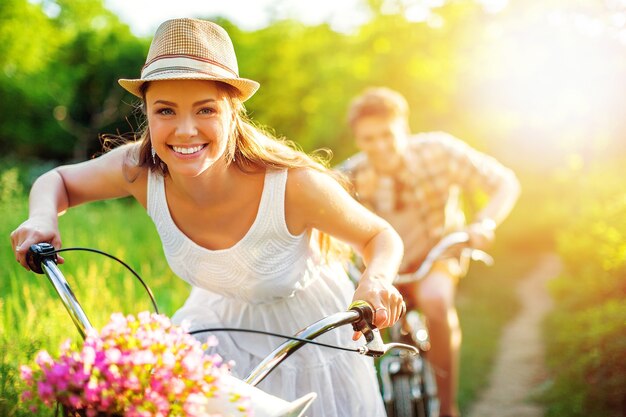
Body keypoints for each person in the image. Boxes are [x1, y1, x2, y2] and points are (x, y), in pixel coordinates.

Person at [10, 19, 406, 417]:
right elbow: (57, 179)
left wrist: (375, 280)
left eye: (205, 109)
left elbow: (379, 235)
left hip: (308, 335)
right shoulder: (139, 170)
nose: (185, 131)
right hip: (217, 326)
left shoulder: (291, 184)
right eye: (165, 110)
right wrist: (43, 218)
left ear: (233, 111)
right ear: (145, 111)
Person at [339, 87, 521, 417]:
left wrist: (484, 223)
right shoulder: (350, 175)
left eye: (387, 135)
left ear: (404, 128)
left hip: (437, 255)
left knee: (436, 300)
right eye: (368, 139)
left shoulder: (439, 151)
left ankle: (447, 407)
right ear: (357, 139)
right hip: (385, 268)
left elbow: (505, 183)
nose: (379, 146)